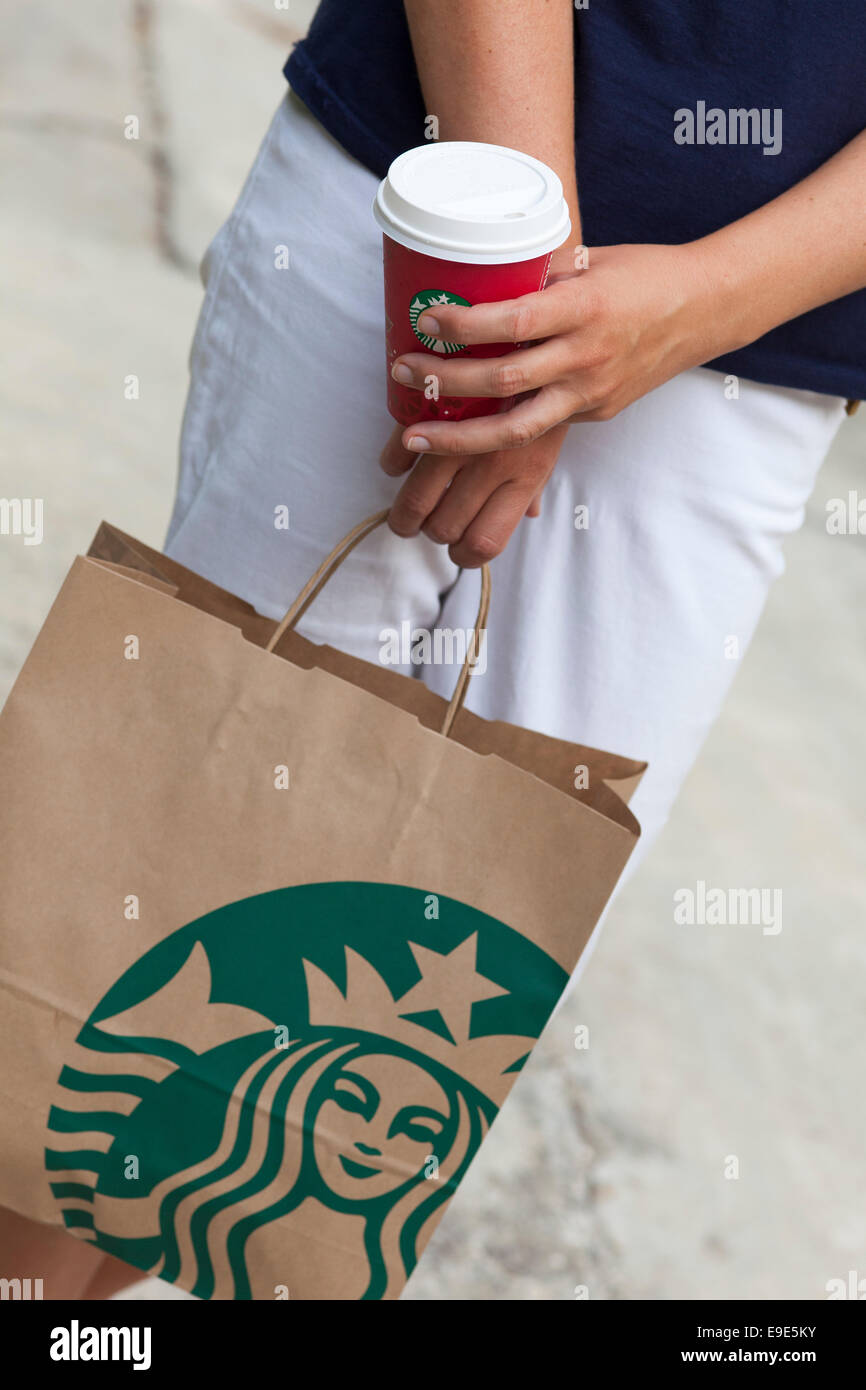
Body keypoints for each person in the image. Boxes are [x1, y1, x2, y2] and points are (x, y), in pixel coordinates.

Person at [5, 0, 864, 1299]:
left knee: (391, 1006)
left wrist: (685, 310)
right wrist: (523, 293)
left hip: (750, 346)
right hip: (418, 194)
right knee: (131, 930)